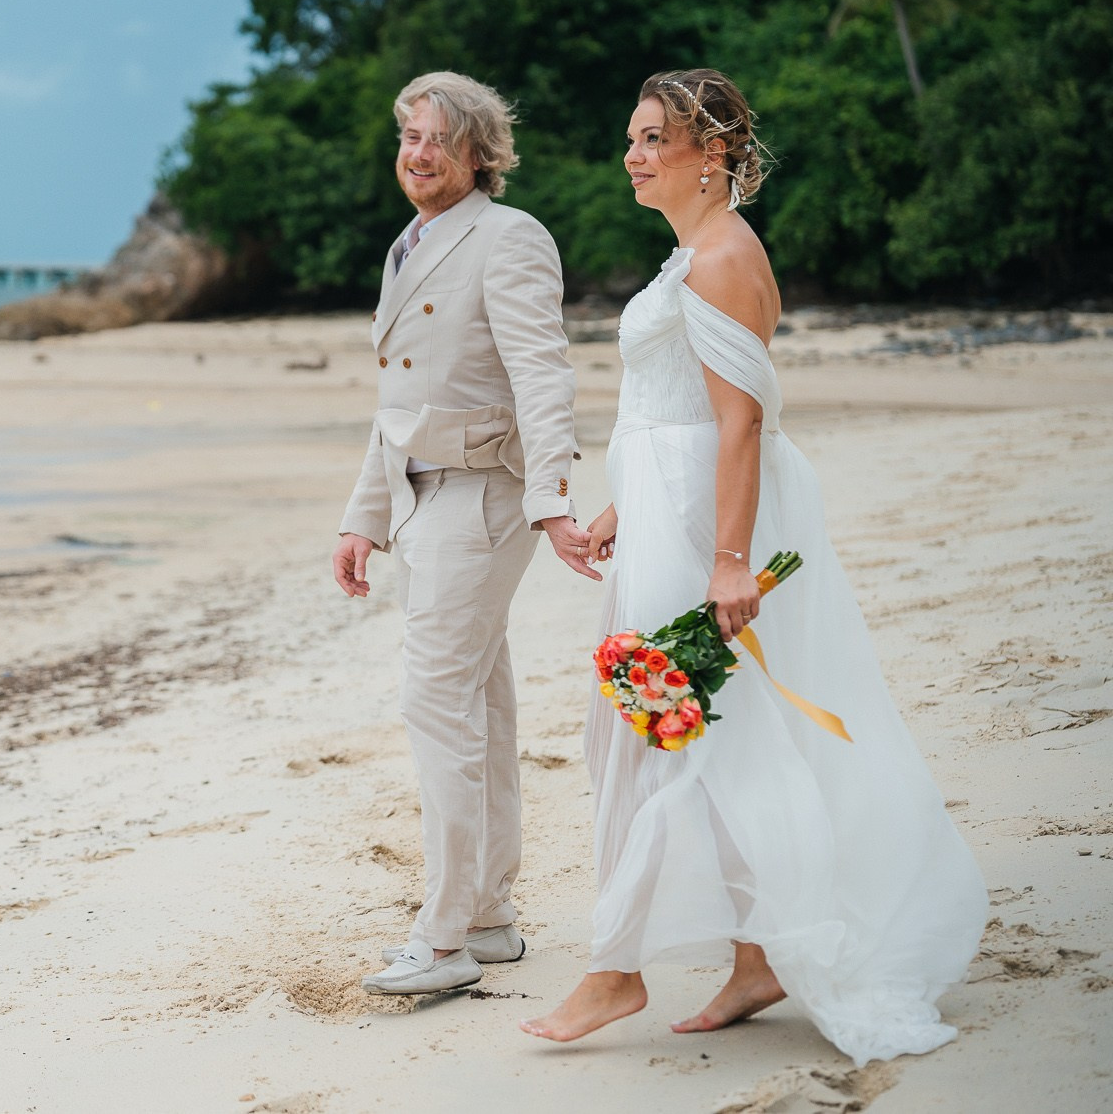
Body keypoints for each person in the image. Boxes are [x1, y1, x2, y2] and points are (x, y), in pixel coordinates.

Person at [521, 69, 984, 1062]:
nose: (632, 156)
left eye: (653, 138)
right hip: (666, 514)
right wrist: (622, 505)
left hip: (701, 530)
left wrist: (727, 562)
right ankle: (752, 956)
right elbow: (679, 406)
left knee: (665, 729)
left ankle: (618, 967)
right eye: (632, 137)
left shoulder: (724, 256)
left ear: (714, 153)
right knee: (688, 732)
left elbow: (739, 423)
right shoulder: (693, 253)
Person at [332, 71, 590, 997]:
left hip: (483, 495)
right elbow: (397, 401)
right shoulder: (409, 244)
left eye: (438, 139)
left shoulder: (509, 237)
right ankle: (486, 917)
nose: (419, 154)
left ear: (480, 152)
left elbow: (542, 373)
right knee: (479, 703)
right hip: (420, 500)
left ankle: (441, 939)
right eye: (409, 137)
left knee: (435, 703)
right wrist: (363, 517)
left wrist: (551, 497)